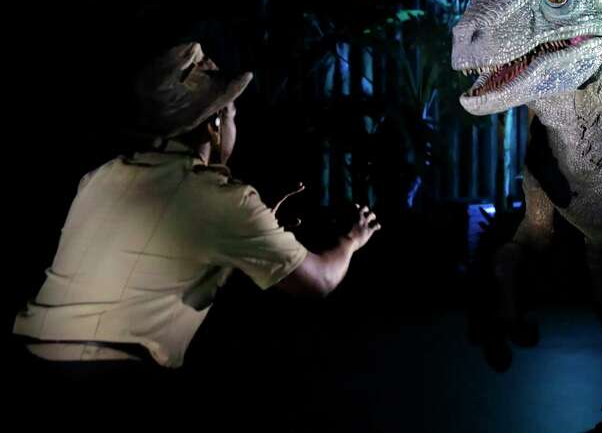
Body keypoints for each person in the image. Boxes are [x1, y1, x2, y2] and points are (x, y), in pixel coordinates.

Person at [10, 41, 380, 426]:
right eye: (233, 115)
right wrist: (351, 240)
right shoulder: (221, 198)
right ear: (214, 124)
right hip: (108, 380)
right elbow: (318, 281)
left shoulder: (99, 177)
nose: (236, 125)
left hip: (30, 364)